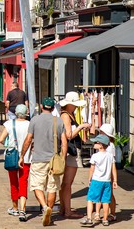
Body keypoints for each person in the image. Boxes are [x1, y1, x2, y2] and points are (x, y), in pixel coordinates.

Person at [18, 97, 67, 227]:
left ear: (41, 106)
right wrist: (63, 159)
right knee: (52, 187)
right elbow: (64, 142)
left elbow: (28, 139)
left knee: (36, 185)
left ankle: (45, 207)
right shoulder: (59, 121)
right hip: (54, 160)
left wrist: (22, 155)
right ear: (53, 108)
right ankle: (49, 213)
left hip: (38, 159)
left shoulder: (34, 120)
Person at [59, 91, 90, 219]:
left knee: (66, 183)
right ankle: (67, 211)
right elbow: (69, 135)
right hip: (71, 152)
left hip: (71, 151)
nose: (77, 106)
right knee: (68, 183)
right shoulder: (66, 116)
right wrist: (81, 126)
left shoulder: (69, 114)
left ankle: (64, 208)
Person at [0, 104, 31, 222]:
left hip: (12, 156)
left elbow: (1, 139)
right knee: (23, 181)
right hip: (26, 157)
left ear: (16, 113)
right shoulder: (29, 124)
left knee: (13, 182)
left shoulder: (9, 124)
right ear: (26, 113)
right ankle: (23, 209)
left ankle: (15, 207)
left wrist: (9, 145)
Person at [79, 134, 117, 227]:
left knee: (90, 199)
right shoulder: (110, 156)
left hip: (96, 180)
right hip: (107, 181)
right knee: (106, 201)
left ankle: (89, 218)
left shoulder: (95, 156)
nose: (94, 143)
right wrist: (115, 180)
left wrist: (89, 178)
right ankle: (104, 219)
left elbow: (92, 168)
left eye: (96, 142)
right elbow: (113, 169)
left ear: (101, 145)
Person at [95, 124, 117, 222]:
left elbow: (110, 162)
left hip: (107, 173)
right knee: (101, 194)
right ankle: (100, 213)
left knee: (109, 195)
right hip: (101, 173)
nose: (99, 133)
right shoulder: (103, 144)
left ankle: (112, 213)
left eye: (101, 132)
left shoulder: (110, 146)